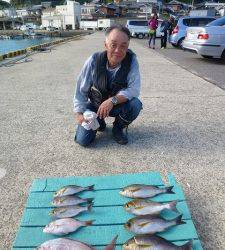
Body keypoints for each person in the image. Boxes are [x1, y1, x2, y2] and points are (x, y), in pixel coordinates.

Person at [73, 24, 142, 147]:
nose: (117, 50)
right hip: (95, 106)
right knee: (82, 140)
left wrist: (112, 100)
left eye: (123, 46)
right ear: (105, 45)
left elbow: (134, 89)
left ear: (127, 47)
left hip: (117, 106)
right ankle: (99, 122)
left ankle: (118, 128)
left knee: (135, 104)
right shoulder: (94, 60)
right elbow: (81, 90)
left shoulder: (131, 61)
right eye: (113, 45)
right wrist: (79, 113)